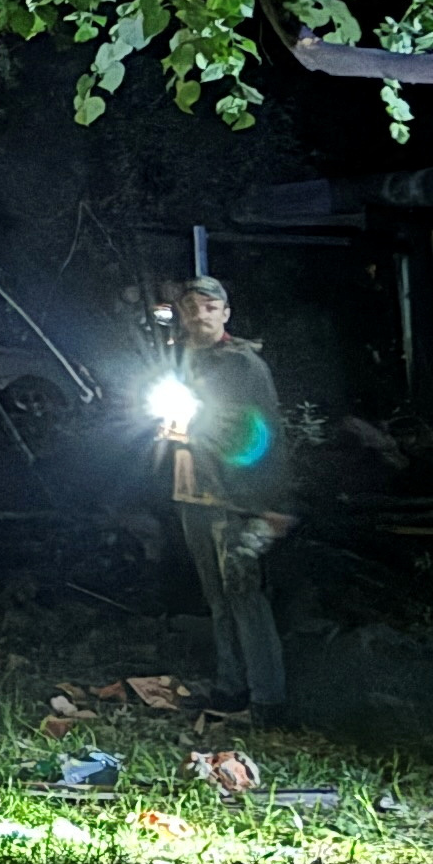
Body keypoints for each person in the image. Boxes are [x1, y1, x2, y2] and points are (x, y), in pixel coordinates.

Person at [158, 274, 295, 718]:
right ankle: (230, 689)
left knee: (245, 598)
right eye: (191, 306)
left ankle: (266, 700)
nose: (199, 314)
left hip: (235, 500)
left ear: (225, 314)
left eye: (209, 307)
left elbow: (267, 432)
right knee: (217, 599)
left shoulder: (243, 364)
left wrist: (270, 504)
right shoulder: (179, 360)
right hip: (194, 495)